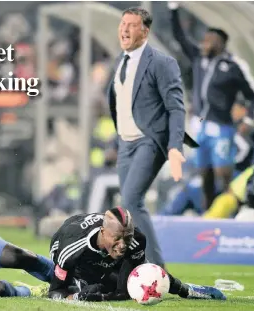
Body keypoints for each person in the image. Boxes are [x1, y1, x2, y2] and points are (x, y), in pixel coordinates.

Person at [106, 7, 198, 268]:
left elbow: (176, 107)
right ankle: (132, 262)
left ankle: (157, 268)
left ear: (145, 32)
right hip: (125, 143)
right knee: (129, 208)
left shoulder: (162, 62)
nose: (124, 29)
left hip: (150, 139)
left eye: (132, 25)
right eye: (123, 23)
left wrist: (174, 147)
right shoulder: (119, 62)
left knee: (132, 200)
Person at [168, 2, 254, 210]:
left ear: (221, 43)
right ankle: (209, 213)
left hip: (221, 126)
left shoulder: (233, 67)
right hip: (200, 124)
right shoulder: (198, 59)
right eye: (205, 39)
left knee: (223, 173)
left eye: (210, 40)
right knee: (205, 173)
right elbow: (180, 37)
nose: (205, 43)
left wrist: (248, 118)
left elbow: (252, 95)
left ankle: (231, 212)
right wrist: (173, 10)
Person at [46, 207, 226, 301]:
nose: (123, 245)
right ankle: (81, 283)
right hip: (77, 262)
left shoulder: (135, 239)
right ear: (103, 232)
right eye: (117, 238)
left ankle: (187, 289)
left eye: (127, 238)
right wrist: (77, 297)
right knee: (93, 287)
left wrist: (104, 297)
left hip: (105, 254)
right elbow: (54, 293)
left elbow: (131, 282)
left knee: (128, 289)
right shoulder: (71, 250)